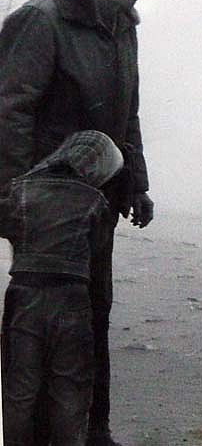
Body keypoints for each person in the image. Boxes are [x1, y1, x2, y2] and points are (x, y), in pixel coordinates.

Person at [0, 0, 172, 446]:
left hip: (97, 207)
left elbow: (129, 113)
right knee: (37, 334)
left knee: (93, 314)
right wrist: (14, 203)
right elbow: (9, 112)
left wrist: (136, 183)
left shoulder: (124, 28)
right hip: (45, 217)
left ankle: (92, 431)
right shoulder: (41, 20)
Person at [0, 130, 124, 446]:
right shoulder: (94, 200)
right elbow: (97, 247)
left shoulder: (21, 190)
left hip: (24, 295)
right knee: (71, 389)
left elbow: (6, 224)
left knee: (19, 389)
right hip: (72, 298)